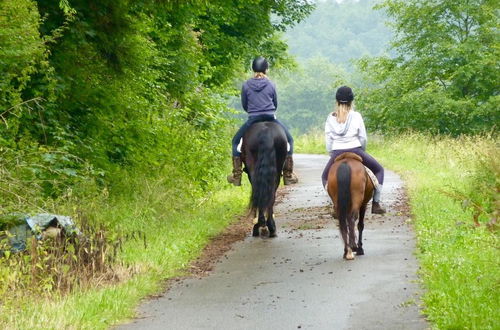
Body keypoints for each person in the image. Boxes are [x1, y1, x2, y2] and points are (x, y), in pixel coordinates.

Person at [227, 56, 298, 186]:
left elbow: (244, 104)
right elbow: (275, 104)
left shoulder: (246, 84)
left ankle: (236, 175)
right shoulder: (271, 84)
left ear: (253, 69)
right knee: (290, 141)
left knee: (235, 142)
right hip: (270, 117)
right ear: (266, 69)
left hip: (253, 119)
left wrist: (253, 111)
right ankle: (288, 174)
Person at [321, 86, 386, 214]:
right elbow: (363, 137)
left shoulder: (330, 118)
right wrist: (362, 150)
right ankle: (376, 203)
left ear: (337, 101)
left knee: (324, 177)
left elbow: (328, 140)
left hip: (337, 152)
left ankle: (335, 205)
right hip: (355, 150)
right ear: (351, 101)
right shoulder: (356, 116)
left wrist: (332, 154)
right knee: (379, 170)